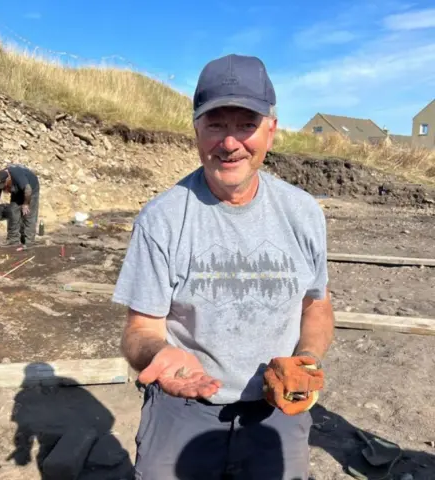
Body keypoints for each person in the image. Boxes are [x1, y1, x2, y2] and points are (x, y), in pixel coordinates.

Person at [112, 54, 335, 479]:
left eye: (245, 125)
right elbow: (140, 331)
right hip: (182, 411)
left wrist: (305, 359)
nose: (230, 143)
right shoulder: (162, 218)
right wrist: (162, 356)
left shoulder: (303, 213)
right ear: (196, 129)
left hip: (276, 412)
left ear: (271, 129)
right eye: (216, 124)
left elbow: (316, 306)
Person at [0, 164, 40, 247]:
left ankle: (29, 241)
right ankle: (13, 239)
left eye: (5, 185)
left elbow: (28, 190)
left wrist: (25, 204)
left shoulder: (17, 175)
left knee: (29, 214)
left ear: (8, 178)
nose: (4, 188)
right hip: (17, 191)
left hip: (31, 190)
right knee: (13, 212)